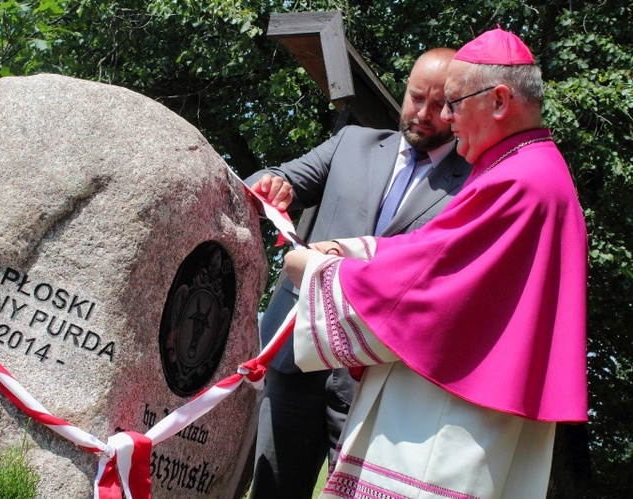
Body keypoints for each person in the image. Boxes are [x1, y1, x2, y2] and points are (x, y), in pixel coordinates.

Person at [283, 27, 588, 498]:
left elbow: (431, 288)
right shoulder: (524, 169)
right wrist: (353, 251)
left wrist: (322, 274)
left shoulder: (520, 181)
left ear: (500, 101)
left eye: (454, 103)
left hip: (451, 424)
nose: (446, 118)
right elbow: (434, 251)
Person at [245, 48, 471, 499]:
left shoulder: (474, 183)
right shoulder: (353, 143)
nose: (422, 114)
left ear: (459, 109)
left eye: (438, 105)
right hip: (294, 354)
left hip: (376, 378)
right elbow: (271, 179)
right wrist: (272, 185)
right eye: (414, 97)